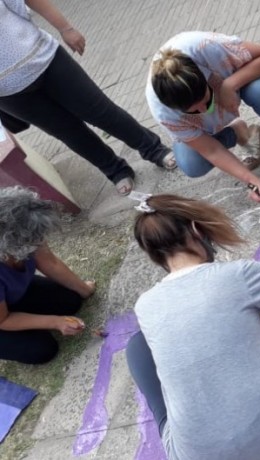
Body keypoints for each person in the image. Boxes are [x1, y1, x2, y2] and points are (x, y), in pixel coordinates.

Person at [126, 194, 260, 459]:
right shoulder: (238, 274)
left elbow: (206, 346)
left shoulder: (145, 305)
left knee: (138, 347)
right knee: (246, 308)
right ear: (197, 229)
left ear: (154, 254)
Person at [0, 0, 175, 196]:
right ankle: (115, 170)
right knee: (69, 132)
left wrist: (66, 28)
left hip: (43, 58)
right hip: (8, 93)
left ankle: (153, 149)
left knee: (101, 112)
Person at [147, 32, 260, 202]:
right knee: (192, 164)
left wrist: (229, 85)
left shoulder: (206, 47)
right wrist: (249, 178)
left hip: (234, 81)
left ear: (204, 80)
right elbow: (211, 150)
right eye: (193, 111)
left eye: (206, 101)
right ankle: (241, 133)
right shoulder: (163, 112)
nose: (204, 110)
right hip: (203, 107)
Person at [0, 187, 96, 364]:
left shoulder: (24, 228)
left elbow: (50, 263)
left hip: (11, 296)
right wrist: (55, 322)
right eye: (33, 240)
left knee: (71, 300)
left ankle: (21, 312)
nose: (39, 242)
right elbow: (3, 320)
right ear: (10, 244)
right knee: (43, 349)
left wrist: (84, 289)